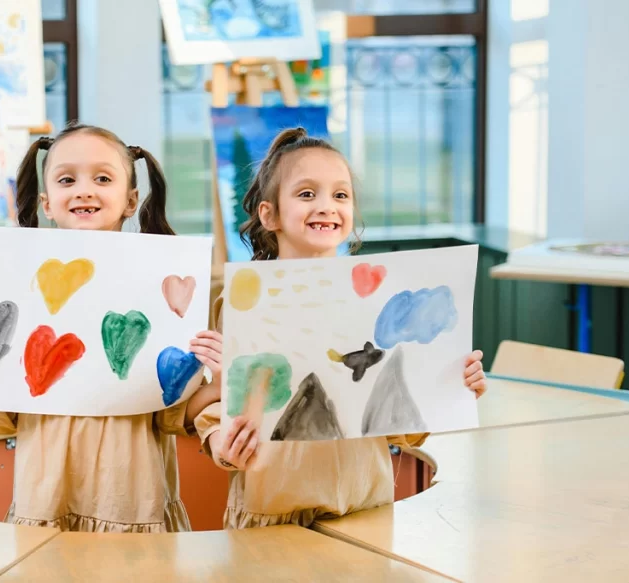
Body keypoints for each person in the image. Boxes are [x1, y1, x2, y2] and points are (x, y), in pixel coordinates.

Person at [0, 122, 223, 532]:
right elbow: (2, 415)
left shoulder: (159, 289)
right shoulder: (21, 286)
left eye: (102, 178)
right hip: (47, 503)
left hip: (132, 505)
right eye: (66, 179)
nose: (84, 189)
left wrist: (225, 380)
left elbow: (175, 413)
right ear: (47, 201)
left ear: (131, 200)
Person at [195, 127, 488, 529]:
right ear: (270, 214)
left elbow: (400, 425)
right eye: (306, 193)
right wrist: (221, 442)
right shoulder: (244, 302)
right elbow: (215, 400)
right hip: (272, 509)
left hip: (364, 507)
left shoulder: (377, 302)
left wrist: (451, 384)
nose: (326, 206)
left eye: (340, 195)